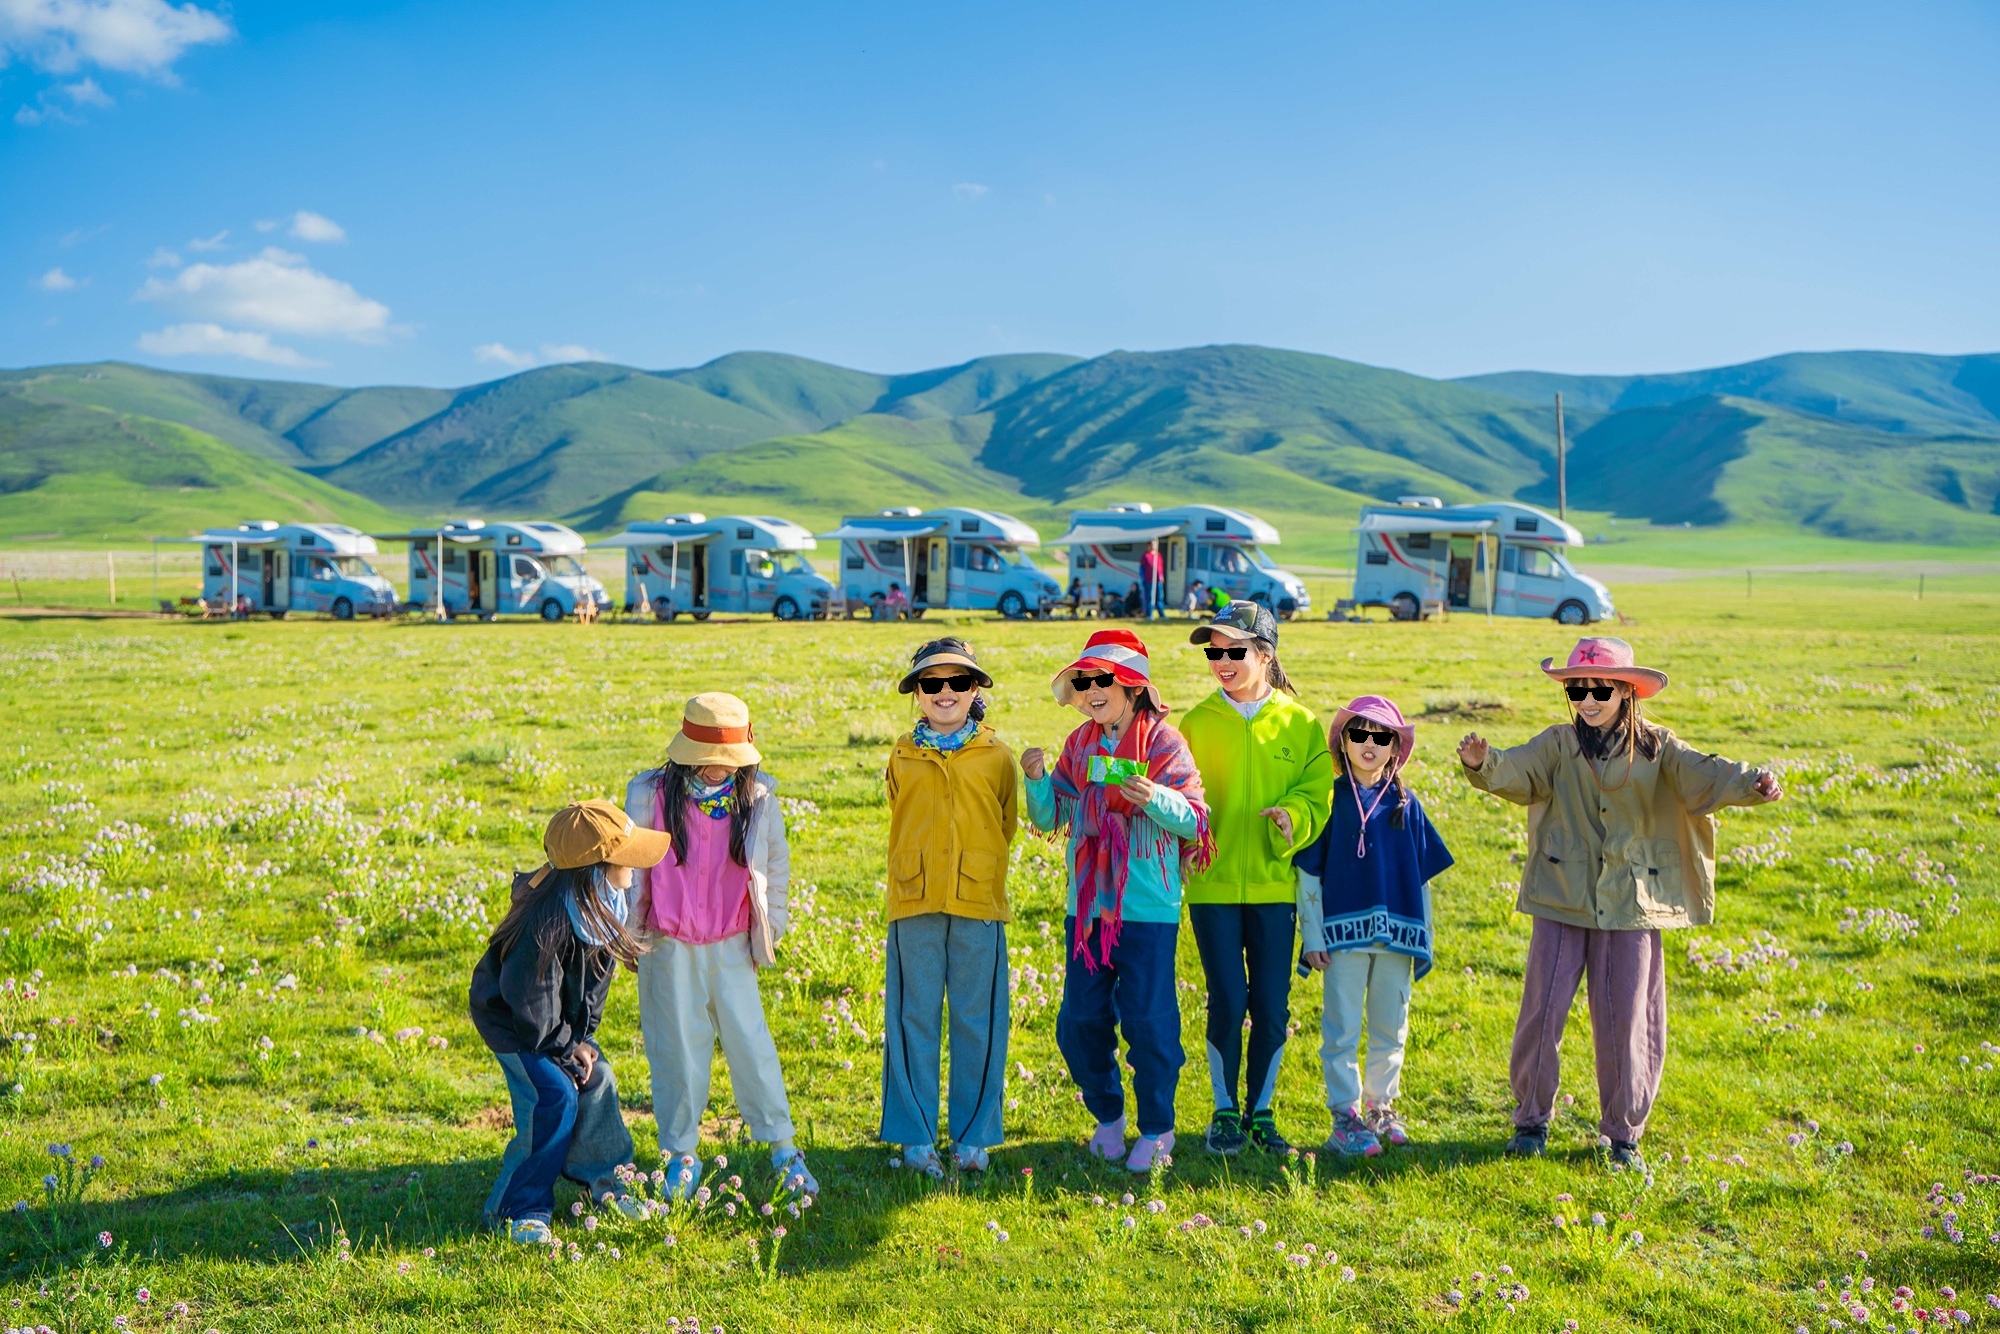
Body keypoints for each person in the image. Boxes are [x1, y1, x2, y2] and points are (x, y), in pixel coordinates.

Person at [1458, 637, 1783, 1168]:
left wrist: (1752, 782)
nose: (1587, 700)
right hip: (1562, 897)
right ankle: (1531, 1123)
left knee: (1628, 1019)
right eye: (1577, 690)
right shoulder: (1558, 745)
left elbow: (1708, 773)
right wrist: (1484, 763)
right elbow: (1518, 771)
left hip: (1632, 902)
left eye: (1599, 689)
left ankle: (1622, 1135)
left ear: (1627, 691)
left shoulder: (1659, 748)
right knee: (1541, 1013)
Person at [1023, 629, 1211, 1172]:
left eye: (1102, 679)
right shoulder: (1079, 745)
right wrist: (1037, 781)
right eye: (1082, 682)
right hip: (1087, 907)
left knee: (1149, 1022)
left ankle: (1157, 1127)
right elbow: (1051, 817)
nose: (1090, 689)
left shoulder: (1165, 744)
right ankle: (1108, 1116)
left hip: (1148, 908)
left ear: (1133, 688)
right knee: (1078, 1021)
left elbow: (1196, 821)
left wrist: (1155, 798)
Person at [623, 693, 818, 1202]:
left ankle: (782, 1147)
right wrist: (629, 929)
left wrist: (769, 929)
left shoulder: (756, 798)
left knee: (751, 1044)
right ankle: (681, 1153)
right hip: (669, 944)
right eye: (706, 759)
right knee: (678, 1050)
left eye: (727, 761)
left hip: (733, 944)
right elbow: (630, 871)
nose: (716, 770)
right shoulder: (649, 795)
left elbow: (775, 865)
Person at [469, 800, 666, 1243]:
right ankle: (517, 1208)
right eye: (626, 858)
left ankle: (610, 1185)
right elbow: (531, 1004)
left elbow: (593, 990)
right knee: (554, 1095)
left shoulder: (604, 906)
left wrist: (584, 1042)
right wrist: (562, 1048)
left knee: (599, 1080)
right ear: (595, 867)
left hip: (554, 1029)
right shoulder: (546, 923)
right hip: (515, 1027)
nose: (635, 867)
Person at [1179, 600, 1332, 1155]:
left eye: (1233, 651)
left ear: (1264, 656)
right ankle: (1224, 1111)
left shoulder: (1301, 723)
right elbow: (1175, 793)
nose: (1220, 660)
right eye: (1213, 651)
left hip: (1274, 889)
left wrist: (1294, 815)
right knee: (1226, 999)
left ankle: (1261, 1111)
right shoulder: (1193, 724)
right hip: (1212, 887)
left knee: (1271, 1003)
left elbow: (1320, 794)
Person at [880, 638, 1019, 1176]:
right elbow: (899, 809)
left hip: (978, 899)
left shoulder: (998, 755)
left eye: (957, 682)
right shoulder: (901, 753)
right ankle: (914, 1139)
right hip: (913, 900)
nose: (944, 692)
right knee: (911, 1016)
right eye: (931, 683)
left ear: (974, 690)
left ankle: (972, 1137)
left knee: (976, 1019)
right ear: (916, 693)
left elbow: (1005, 821)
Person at [1294, 696, 1455, 1157]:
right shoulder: (1329, 801)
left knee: (1391, 1025)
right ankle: (1345, 1116)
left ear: (1395, 747)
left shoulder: (1408, 805)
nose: (1368, 744)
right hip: (1342, 938)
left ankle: (1380, 1106)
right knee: (1341, 1026)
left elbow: (1422, 878)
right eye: (1358, 734)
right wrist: (1313, 936)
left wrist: (1425, 938)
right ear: (1342, 742)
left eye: (1380, 736)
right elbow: (1308, 873)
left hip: (1398, 938)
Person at [1140, 543, 1166, 621]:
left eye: (1154, 545)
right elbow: (1142, 569)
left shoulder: (1158, 555)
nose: (1153, 546)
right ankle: (1149, 614)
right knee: (1150, 598)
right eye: (1151, 545)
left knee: (1160, 597)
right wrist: (1143, 579)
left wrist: (1161, 576)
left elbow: (1160, 567)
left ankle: (1161, 614)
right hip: (1149, 580)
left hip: (1158, 581)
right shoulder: (1145, 556)